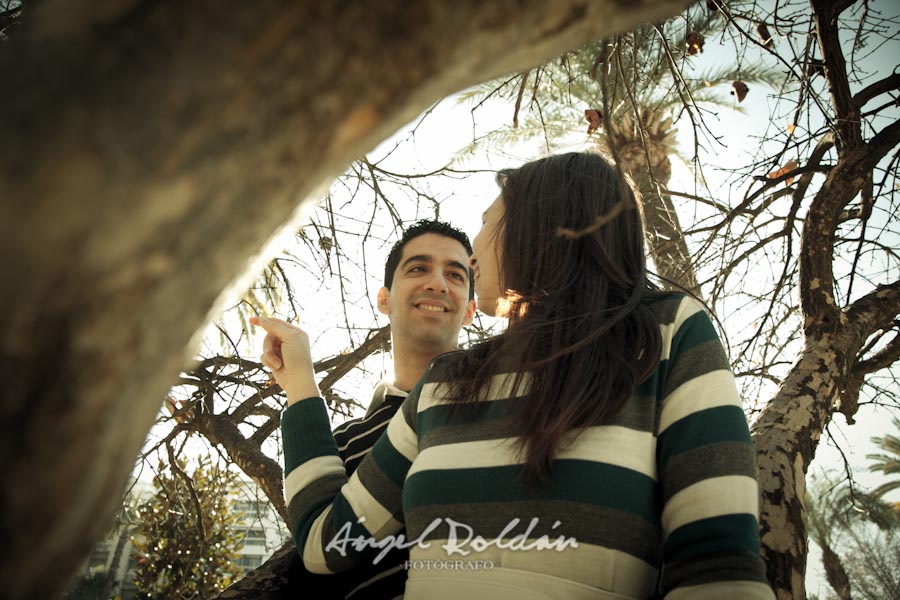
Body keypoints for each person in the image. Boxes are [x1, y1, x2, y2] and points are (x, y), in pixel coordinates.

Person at [254, 152, 774, 599]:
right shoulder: (443, 384)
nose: (473, 248)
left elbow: (717, 566)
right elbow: (328, 543)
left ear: (539, 224)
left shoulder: (666, 334)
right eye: (418, 268)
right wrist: (300, 383)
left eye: (486, 221)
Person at [251, 220, 476, 599]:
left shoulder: (506, 403)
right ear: (384, 299)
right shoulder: (341, 441)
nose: (437, 283)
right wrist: (299, 385)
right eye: (418, 268)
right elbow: (320, 552)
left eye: (455, 274)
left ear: (470, 310)